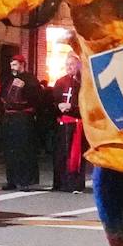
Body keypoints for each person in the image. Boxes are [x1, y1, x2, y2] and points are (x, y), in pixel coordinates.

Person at [0, 54, 42, 190]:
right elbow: (1, 96)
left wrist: (25, 88)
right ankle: (11, 180)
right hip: (9, 118)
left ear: (22, 64)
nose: (13, 67)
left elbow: (36, 98)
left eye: (15, 64)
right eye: (12, 65)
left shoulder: (31, 79)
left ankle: (25, 181)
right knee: (10, 150)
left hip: (23, 118)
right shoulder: (8, 79)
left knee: (24, 149)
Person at [52, 54, 87, 192]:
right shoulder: (60, 82)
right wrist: (58, 106)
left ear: (78, 66)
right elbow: (53, 100)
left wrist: (72, 108)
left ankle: (74, 184)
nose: (69, 67)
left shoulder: (83, 82)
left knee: (75, 156)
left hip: (76, 123)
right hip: (63, 123)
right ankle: (60, 183)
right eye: (67, 64)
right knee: (61, 153)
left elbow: (86, 103)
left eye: (71, 64)